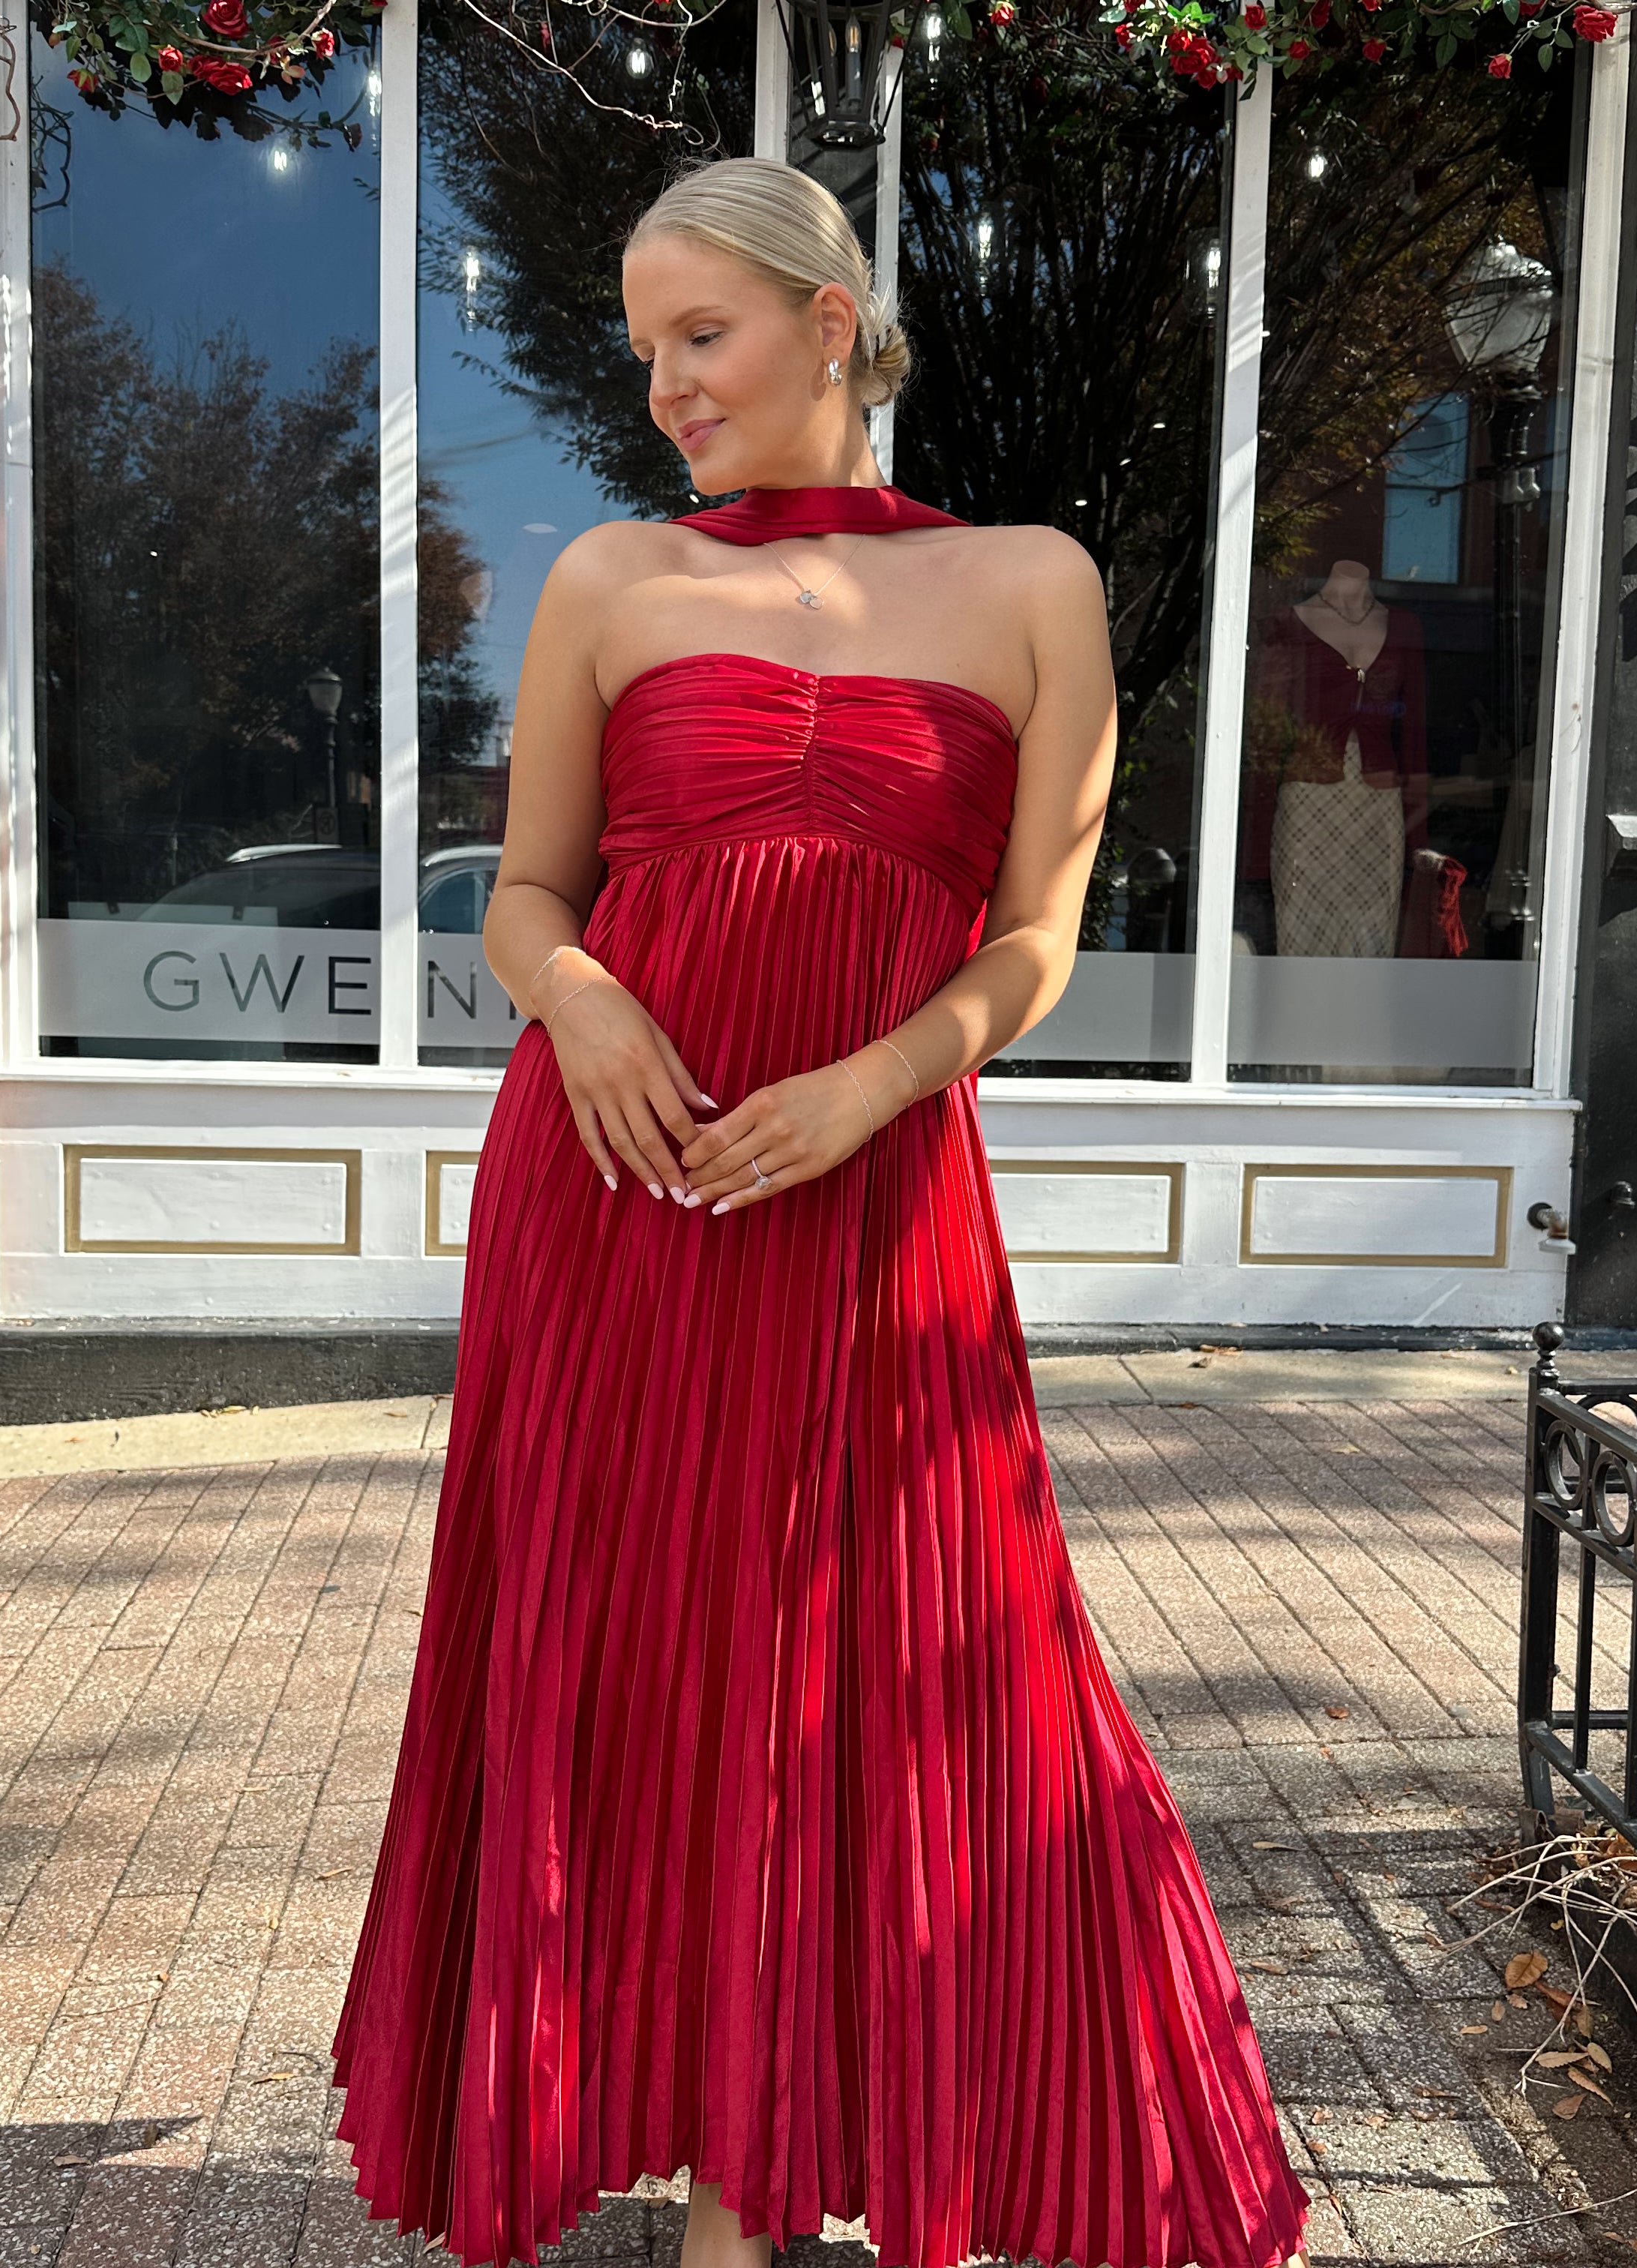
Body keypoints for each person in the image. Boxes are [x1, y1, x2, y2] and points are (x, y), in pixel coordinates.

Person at [331, 154, 1312, 2268]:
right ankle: (709, 2164)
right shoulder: (608, 579)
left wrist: (883, 1077)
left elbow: (1037, 937)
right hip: (621, 1189)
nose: (669, 385)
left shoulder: (1034, 580)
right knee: (629, 1646)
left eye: (705, 334)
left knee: (900, 1651)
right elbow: (524, 897)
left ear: (831, 315)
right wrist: (578, 999)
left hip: (874, 1206)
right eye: (645, 351)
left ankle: (788, 2158)